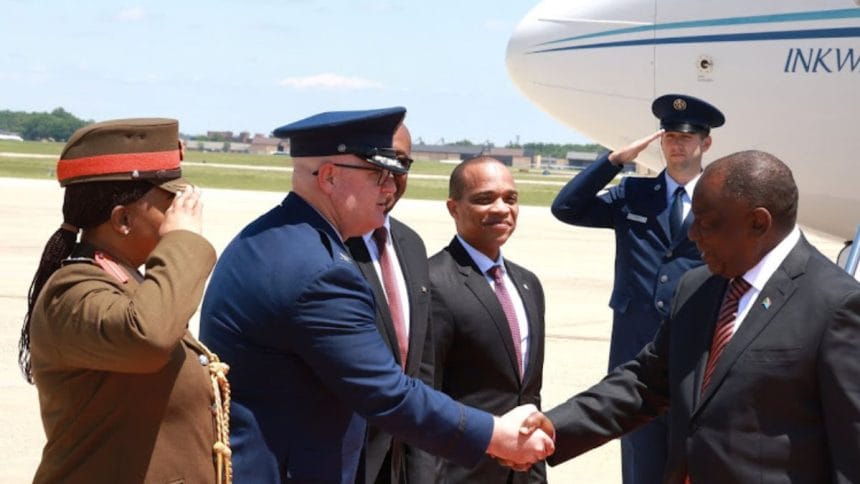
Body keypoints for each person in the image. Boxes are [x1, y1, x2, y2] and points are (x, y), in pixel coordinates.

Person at [198, 107, 555, 483]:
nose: (391, 187)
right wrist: (496, 435)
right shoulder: (320, 272)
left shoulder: (273, 237)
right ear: (330, 177)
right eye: (378, 174)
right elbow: (387, 393)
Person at [540, 150, 860, 483]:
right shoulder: (698, 287)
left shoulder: (836, 305)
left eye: (706, 223)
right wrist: (552, 428)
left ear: (758, 223)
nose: (692, 234)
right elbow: (646, 382)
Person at [18, 118, 232, 483]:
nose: (180, 212)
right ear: (123, 220)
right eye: (169, 202)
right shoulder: (71, 293)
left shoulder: (127, 282)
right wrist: (182, 242)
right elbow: (148, 337)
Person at [550, 93, 725, 484]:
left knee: (697, 467)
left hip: (697, 353)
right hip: (636, 361)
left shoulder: (721, 200)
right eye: (670, 136)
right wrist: (612, 161)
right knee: (641, 466)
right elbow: (566, 208)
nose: (677, 144)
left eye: (687, 136)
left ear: (706, 142)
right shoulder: (633, 193)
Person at [427, 156, 547, 483]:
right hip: (461, 471)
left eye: (510, 198)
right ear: (453, 208)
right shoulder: (432, 282)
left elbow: (528, 391)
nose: (501, 209)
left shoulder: (527, 283)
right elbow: (425, 394)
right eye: (485, 199)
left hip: (524, 471)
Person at [343, 123, 435, 484]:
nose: (392, 176)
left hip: (400, 462)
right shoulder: (328, 244)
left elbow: (422, 370)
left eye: (402, 164)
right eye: (379, 163)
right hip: (343, 459)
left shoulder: (411, 245)